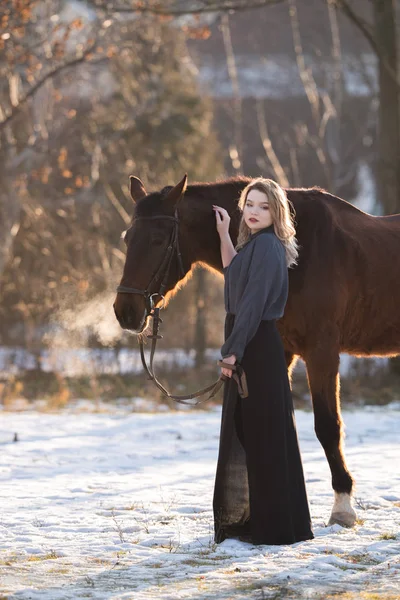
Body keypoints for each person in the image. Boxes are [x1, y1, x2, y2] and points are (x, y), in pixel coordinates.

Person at [212, 177, 314, 546]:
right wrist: (224, 233)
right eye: (249, 205)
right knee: (255, 433)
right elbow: (233, 274)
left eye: (263, 206)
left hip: (257, 345)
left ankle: (275, 528)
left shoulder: (270, 247)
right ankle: (268, 521)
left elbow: (252, 307)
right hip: (250, 342)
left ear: (276, 211)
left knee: (267, 437)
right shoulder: (254, 244)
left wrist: (232, 351)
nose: (254, 212)